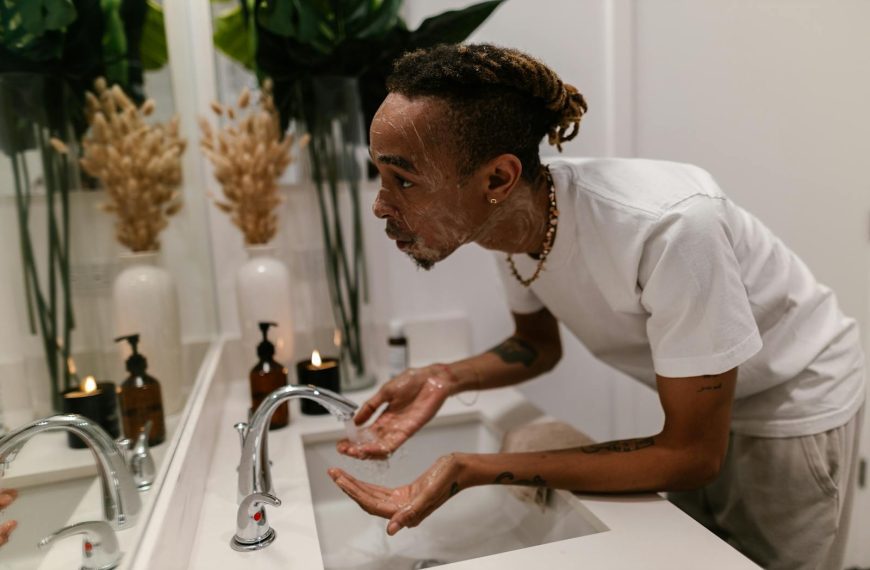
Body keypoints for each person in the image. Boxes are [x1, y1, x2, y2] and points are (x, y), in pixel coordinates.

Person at [327, 43, 866, 570]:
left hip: (791, 397)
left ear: (497, 178)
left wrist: (474, 468)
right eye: (380, 175)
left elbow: (692, 457)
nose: (380, 205)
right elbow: (536, 346)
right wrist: (443, 378)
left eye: (404, 180)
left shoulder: (669, 226)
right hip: (701, 417)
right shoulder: (506, 220)